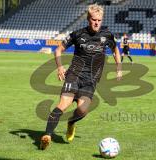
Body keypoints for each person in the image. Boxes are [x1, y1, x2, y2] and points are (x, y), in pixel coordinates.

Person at [40, 4, 122, 150]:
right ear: (88, 19)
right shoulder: (77, 34)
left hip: (91, 79)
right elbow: (58, 50)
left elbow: (115, 49)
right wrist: (60, 67)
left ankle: (71, 123)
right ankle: (47, 136)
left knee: (82, 110)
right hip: (74, 75)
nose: (96, 22)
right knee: (62, 105)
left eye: (99, 20)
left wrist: (119, 67)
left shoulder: (107, 35)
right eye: (94, 20)